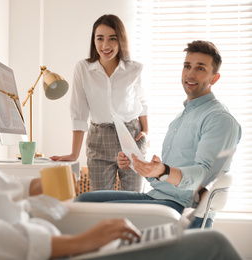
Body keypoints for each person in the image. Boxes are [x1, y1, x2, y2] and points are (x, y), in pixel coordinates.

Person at [0, 31, 242, 260]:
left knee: (203, 239)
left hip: (69, 237)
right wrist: (79, 241)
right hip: (55, 249)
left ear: (215, 76)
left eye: (200, 68)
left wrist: (38, 188)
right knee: (213, 246)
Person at [75, 40, 242, 229]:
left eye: (200, 68)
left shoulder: (219, 119)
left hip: (183, 208)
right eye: (187, 66)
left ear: (214, 78)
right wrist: (139, 165)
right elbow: (165, 174)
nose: (190, 73)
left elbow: (204, 175)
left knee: (86, 214)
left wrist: (164, 171)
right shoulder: (183, 117)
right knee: (84, 201)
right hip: (158, 196)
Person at [50, 14, 148, 192]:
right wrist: (74, 153)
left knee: (133, 200)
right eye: (100, 38)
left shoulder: (135, 69)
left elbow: (142, 102)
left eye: (112, 39)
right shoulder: (83, 69)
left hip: (131, 136)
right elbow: (79, 111)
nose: (105, 45)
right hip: (99, 139)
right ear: (93, 41)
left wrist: (146, 131)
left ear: (121, 40)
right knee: (100, 200)